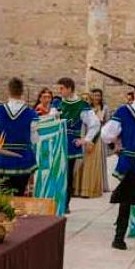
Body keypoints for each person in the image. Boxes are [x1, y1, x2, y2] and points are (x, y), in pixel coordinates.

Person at [102, 78, 135, 251]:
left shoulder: (124, 111)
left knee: (125, 202)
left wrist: (118, 140)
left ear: (134, 91)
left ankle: (119, 239)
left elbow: (106, 135)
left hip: (127, 161)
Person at [0, 78, 40, 195]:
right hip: (23, 159)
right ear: (22, 92)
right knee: (20, 194)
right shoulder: (31, 113)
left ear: (8, 91)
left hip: (2, 160)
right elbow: (34, 139)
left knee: (2, 196)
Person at [52, 77, 100, 213]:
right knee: (56, 173)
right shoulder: (57, 103)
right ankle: (54, 201)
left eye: (61, 88)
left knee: (67, 174)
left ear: (69, 88)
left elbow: (95, 124)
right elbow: (51, 120)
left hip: (71, 145)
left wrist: (85, 139)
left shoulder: (81, 105)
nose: (59, 91)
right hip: (56, 143)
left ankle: (65, 203)